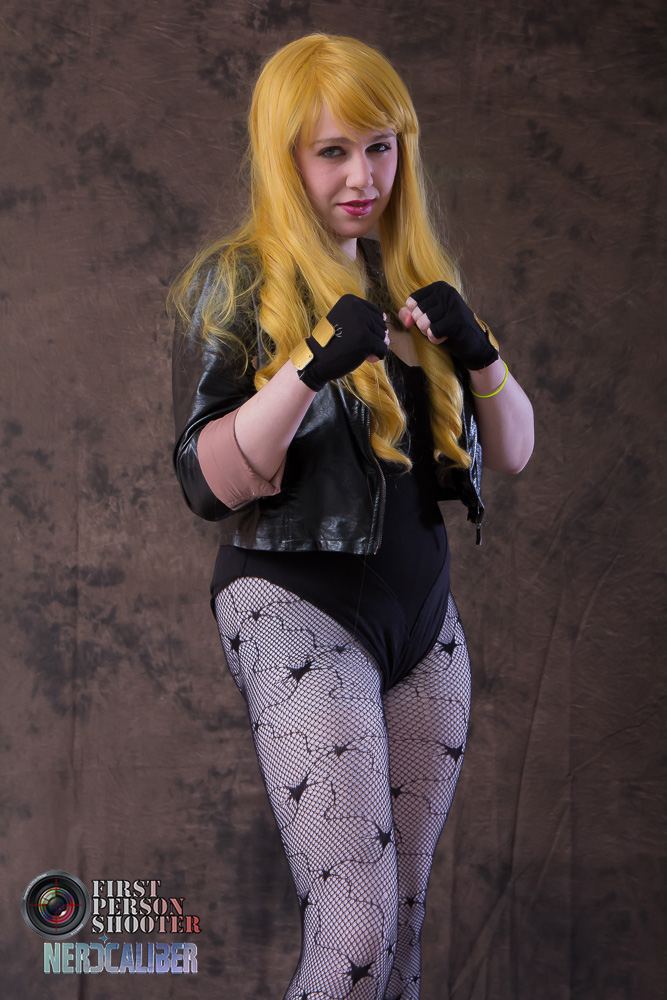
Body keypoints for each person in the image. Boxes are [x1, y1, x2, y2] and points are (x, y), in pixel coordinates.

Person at [170, 32, 533, 1000]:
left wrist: (478, 350)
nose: (362, 176)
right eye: (332, 151)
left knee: (401, 932)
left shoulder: (408, 279)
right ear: (285, 155)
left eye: (380, 147)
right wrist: (308, 366)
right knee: (356, 934)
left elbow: (512, 451)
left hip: (423, 620)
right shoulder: (239, 282)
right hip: (294, 604)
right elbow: (205, 481)